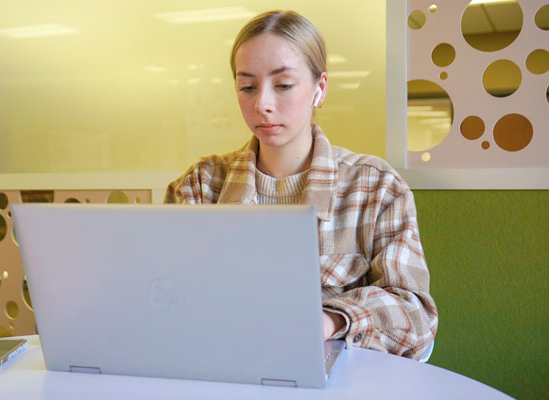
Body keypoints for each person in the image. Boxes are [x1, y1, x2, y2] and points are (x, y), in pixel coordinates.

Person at [164, 10, 438, 360]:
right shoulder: (200, 186)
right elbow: (163, 295)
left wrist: (328, 321)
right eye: (247, 87)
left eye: (283, 85)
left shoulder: (375, 187)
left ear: (319, 89)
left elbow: (415, 315)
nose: (262, 103)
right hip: (219, 370)